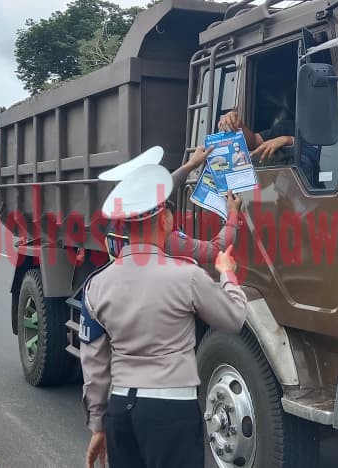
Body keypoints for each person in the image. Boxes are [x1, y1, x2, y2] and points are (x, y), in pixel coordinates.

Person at [81, 163, 247, 468]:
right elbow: (234, 317)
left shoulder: (96, 285)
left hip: (120, 411)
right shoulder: (187, 276)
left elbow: (94, 364)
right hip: (171, 410)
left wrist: (98, 425)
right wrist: (227, 274)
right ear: (164, 220)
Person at [105, 146, 244, 265]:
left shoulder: (116, 225)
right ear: (163, 220)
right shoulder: (170, 242)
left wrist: (190, 165)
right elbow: (216, 250)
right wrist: (232, 214)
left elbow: (160, 189)